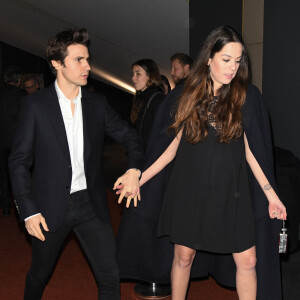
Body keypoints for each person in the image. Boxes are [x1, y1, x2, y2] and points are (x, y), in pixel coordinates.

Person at [115, 26, 287, 300]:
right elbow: (169, 149)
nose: (233, 67)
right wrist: (139, 177)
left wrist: (271, 195)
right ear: (209, 58)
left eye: (238, 60)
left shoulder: (246, 96)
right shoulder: (187, 95)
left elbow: (252, 151)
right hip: (189, 190)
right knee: (183, 257)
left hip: (233, 193)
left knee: (248, 261)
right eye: (226, 59)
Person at [9, 28, 143, 300]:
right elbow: (19, 161)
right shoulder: (35, 105)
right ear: (57, 63)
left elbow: (131, 137)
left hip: (90, 204)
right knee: (39, 274)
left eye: (87, 59)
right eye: (79, 60)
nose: (88, 66)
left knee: (109, 276)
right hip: (48, 208)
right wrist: (28, 210)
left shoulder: (97, 104)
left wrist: (133, 170)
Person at [0, 65, 25, 216]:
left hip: (2, 141)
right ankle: (21, 207)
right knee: (20, 174)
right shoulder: (24, 97)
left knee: (4, 174)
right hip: (19, 142)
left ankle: (5, 206)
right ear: (19, 80)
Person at [130, 59, 165, 149]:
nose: (133, 78)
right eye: (133, 74)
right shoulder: (142, 98)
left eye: (138, 74)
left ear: (150, 76)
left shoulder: (158, 100)